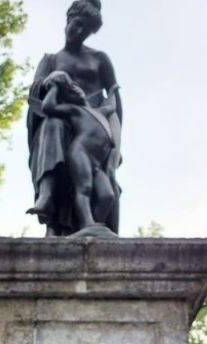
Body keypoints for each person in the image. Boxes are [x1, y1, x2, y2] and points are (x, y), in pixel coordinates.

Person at [26, 0, 122, 236]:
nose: (79, 33)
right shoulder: (50, 60)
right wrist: (54, 82)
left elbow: (114, 100)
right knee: (53, 124)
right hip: (60, 119)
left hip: (94, 127)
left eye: (86, 30)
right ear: (68, 20)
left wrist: (108, 134)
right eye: (77, 25)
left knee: (106, 192)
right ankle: (47, 194)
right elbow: (36, 98)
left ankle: (93, 228)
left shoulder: (100, 59)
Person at [39, 71, 118, 232]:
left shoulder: (100, 112)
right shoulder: (74, 110)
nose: (74, 90)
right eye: (69, 90)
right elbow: (48, 107)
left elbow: (111, 106)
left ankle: (93, 226)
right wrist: (54, 87)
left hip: (96, 162)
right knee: (85, 188)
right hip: (80, 153)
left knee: (107, 195)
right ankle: (86, 224)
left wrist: (112, 91)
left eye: (75, 87)